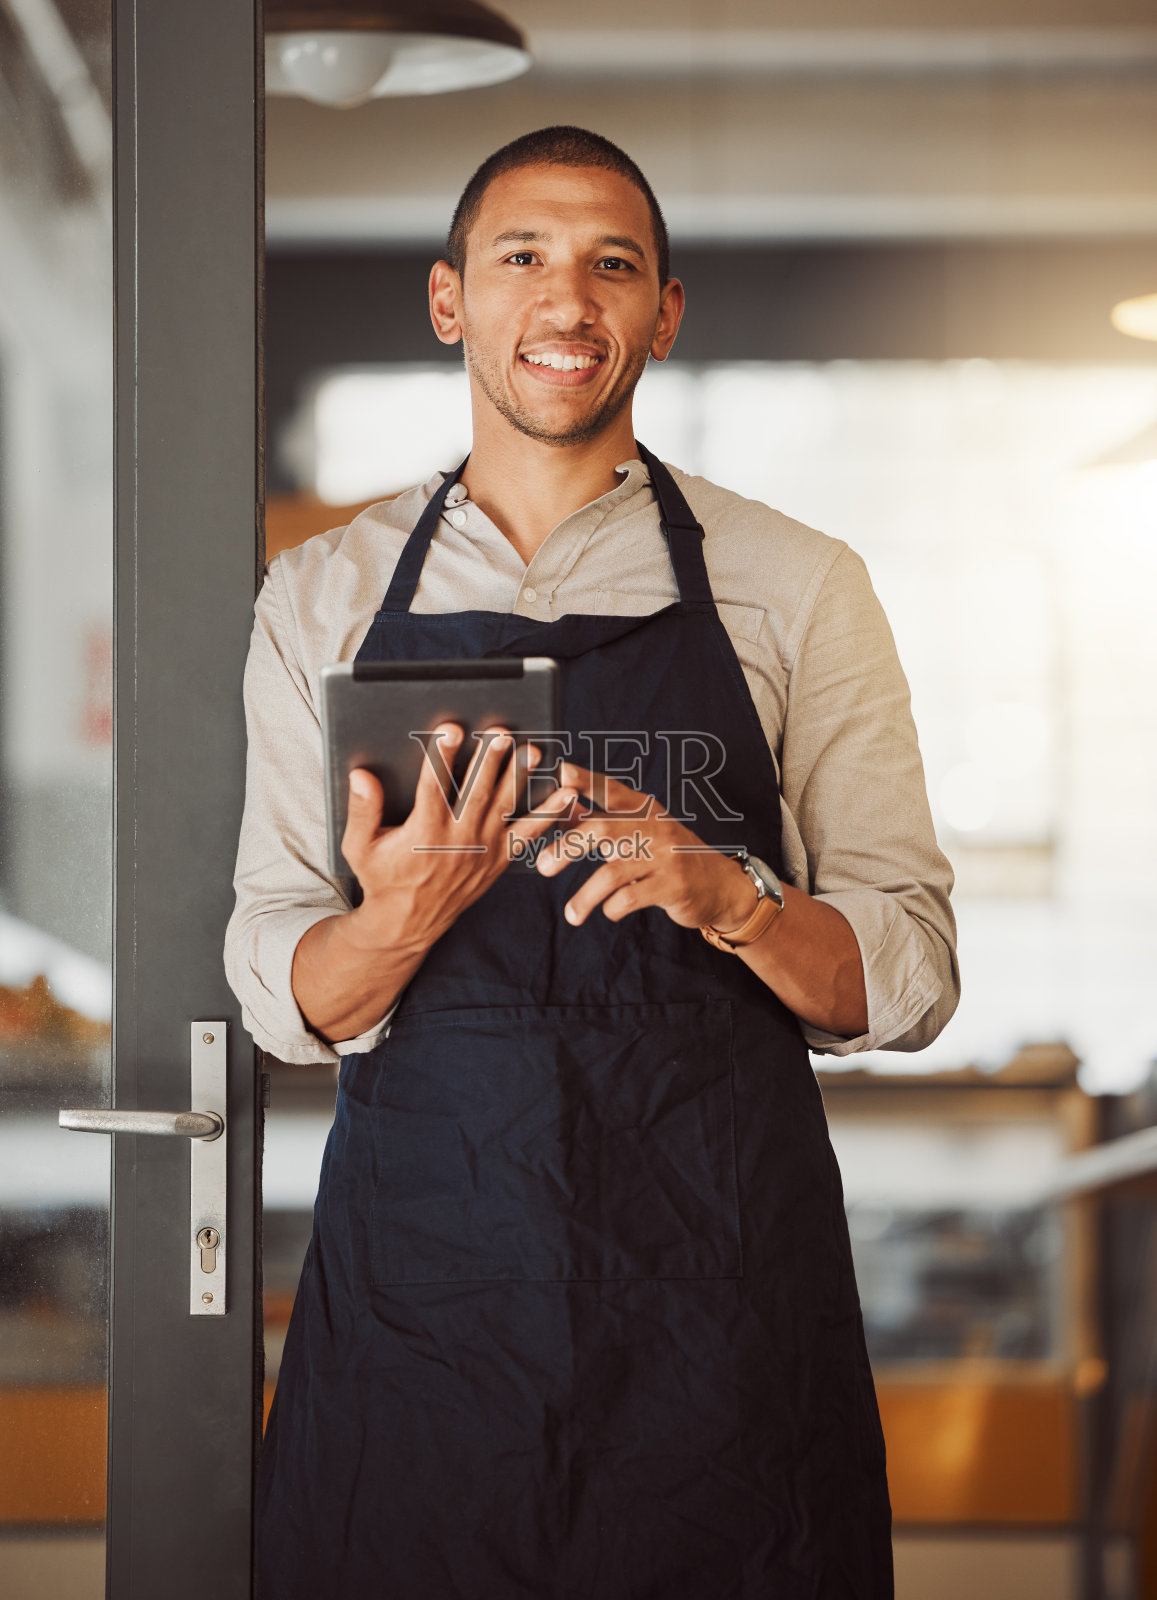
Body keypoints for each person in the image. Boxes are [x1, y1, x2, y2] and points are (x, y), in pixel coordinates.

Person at [226, 124, 958, 1599]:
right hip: (431, 1284)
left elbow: (913, 972)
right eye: (523, 259)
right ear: (451, 304)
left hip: (718, 1291)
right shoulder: (321, 596)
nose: (567, 301)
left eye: (610, 266)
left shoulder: (798, 586)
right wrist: (402, 915)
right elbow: (277, 980)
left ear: (661, 314)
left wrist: (732, 897)